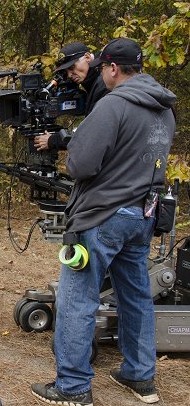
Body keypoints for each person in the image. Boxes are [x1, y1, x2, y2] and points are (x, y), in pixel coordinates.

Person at [31, 38, 176, 405]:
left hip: (103, 216)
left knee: (78, 298)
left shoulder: (113, 105)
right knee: (136, 297)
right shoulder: (164, 109)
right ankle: (140, 376)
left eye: (104, 71)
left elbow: (81, 164)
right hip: (142, 216)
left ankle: (73, 387)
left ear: (111, 68)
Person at [34, 42, 109, 151]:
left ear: (87, 57)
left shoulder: (103, 84)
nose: (69, 74)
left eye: (72, 67)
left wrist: (54, 141)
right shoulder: (93, 81)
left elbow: (95, 135)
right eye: (66, 71)